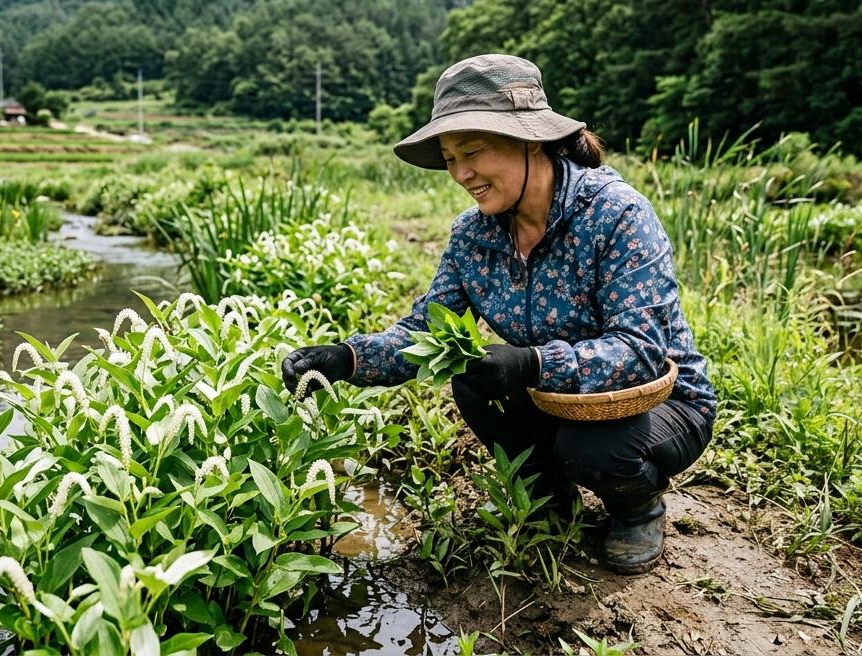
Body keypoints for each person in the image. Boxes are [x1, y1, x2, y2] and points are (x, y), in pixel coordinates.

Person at [281, 54, 716, 575]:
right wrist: (347, 358)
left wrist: (531, 363)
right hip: (554, 397)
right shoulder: (473, 234)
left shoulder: (616, 215)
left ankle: (637, 507)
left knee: (591, 448)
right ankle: (549, 499)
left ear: (531, 140)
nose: (461, 174)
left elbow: (641, 351)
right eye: (449, 158)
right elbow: (427, 330)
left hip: (658, 405)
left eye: (473, 151)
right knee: (470, 380)